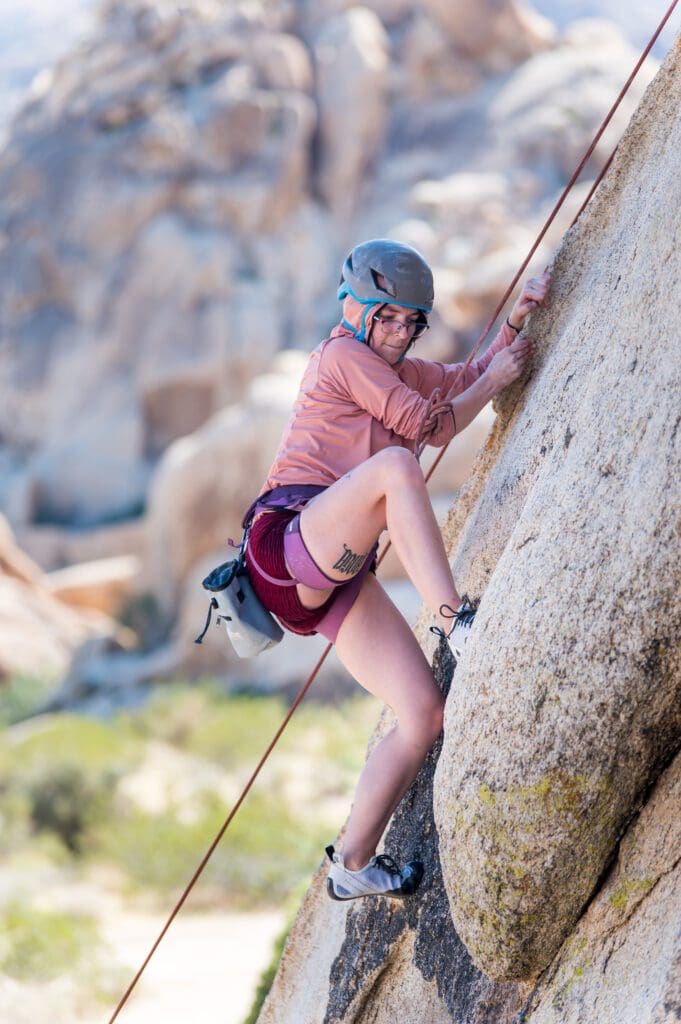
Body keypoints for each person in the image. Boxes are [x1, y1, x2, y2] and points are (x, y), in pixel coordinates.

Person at [243, 239, 549, 900]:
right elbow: (431, 427)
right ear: (354, 309)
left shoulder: (399, 371)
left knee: (421, 714)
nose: (397, 333)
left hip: (331, 577)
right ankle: (454, 620)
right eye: (386, 317)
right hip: (286, 541)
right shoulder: (341, 355)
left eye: (410, 322)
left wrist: (516, 324)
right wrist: (489, 385)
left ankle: (351, 864)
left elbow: (467, 380)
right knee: (395, 467)